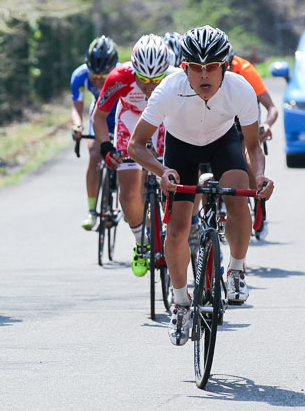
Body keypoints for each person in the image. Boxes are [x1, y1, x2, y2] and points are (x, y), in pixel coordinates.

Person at [127, 25, 274, 346]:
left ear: (225, 67)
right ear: (184, 68)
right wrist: (161, 171)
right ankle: (180, 303)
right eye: (196, 68)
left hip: (224, 143)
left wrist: (259, 177)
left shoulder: (241, 89)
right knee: (178, 229)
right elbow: (135, 146)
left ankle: (236, 271)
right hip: (181, 150)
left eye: (211, 68)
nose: (204, 76)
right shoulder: (169, 89)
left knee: (238, 198)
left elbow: (252, 147)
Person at [92, 34, 176, 277]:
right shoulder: (119, 77)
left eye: (156, 80)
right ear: (133, 70)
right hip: (130, 118)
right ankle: (141, 242)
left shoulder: (175, 77)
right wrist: (106, 147)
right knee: (128, 192)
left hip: (163, 119)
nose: (150, 86)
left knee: (174, 170)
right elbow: (99, 117)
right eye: (143, 79)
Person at [227, 44, 278, 240]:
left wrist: (266, 124)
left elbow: (272, 107)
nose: (227, 71)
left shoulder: (246, 70)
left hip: (245, 117)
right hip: (223, 116)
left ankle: (259, 205)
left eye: (229, 66)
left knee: (248, 158)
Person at [70, 36, 119, 230]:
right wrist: (77, 126)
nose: (97, 82)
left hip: (120, 115)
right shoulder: (79, 75)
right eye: (94, 77)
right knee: (94, 154)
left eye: (102, 78)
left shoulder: (122, 74)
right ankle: (92, 211)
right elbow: (76, 108)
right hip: (98, 116)